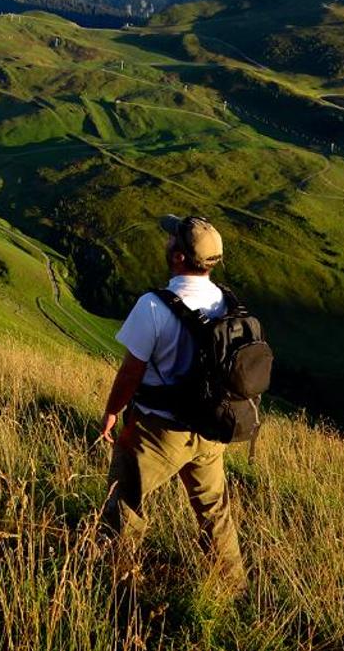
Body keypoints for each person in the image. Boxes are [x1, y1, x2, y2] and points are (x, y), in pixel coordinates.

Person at [94, 214, 246, 588]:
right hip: (209, 429)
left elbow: (131, 371)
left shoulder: (154, 306)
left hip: (158, 430)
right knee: (215, 514)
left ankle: (120, 583)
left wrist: (113, 411)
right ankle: (233, 586)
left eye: (171, 240)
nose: (166, 243)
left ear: (179, 257)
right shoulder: (227, 302)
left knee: (125, 503)